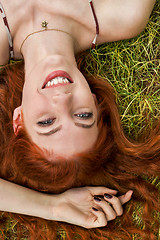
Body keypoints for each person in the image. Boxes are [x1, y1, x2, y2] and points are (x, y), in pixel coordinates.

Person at [0, 0, 159, 239]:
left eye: (46, 122)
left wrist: (52, 207)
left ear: (19, 119)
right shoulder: (124, 14)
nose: (62, 100)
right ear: (95, 102)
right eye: (83, 115)